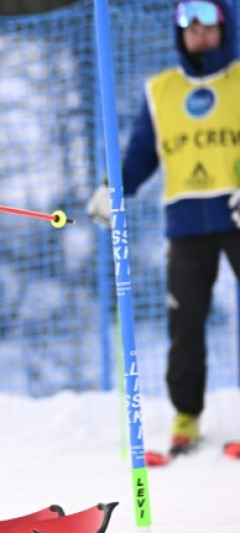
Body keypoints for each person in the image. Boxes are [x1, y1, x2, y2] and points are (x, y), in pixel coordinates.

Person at [87, 0, 240, 457]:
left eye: (208, 23)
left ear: (225, 26)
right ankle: (186, 417)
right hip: (186, 222)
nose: (198, 33)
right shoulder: (161, 90)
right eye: (188, 25)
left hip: (236, 214)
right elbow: (138, 156)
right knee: (185, 321)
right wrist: (110, 189)